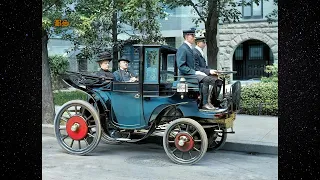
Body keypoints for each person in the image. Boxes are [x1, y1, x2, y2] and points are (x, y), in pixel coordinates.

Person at [176, 29, 216, 110]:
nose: (194, 38)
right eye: (192, 36)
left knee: (212, 80)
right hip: (185, 76)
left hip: (190, 74)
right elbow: (181, 66)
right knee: (207, 79)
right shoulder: (183, 48)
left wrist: (198, 72)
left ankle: (209, 102)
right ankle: (204, 104)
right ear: (187, 36)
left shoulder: (188, 48)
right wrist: (195, 72)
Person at [193, 36, 223, 108]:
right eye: (203, 42)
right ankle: (205, 103)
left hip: (202, 73)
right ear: (198, 43)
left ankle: (214, 101)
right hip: (197, 74)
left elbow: (205, 67)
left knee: (219, 81)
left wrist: (213, 71)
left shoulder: (200, 52)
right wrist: (209, 71)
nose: (205, 44)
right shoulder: (194, 52)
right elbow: (196, 67)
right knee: (208, 80)